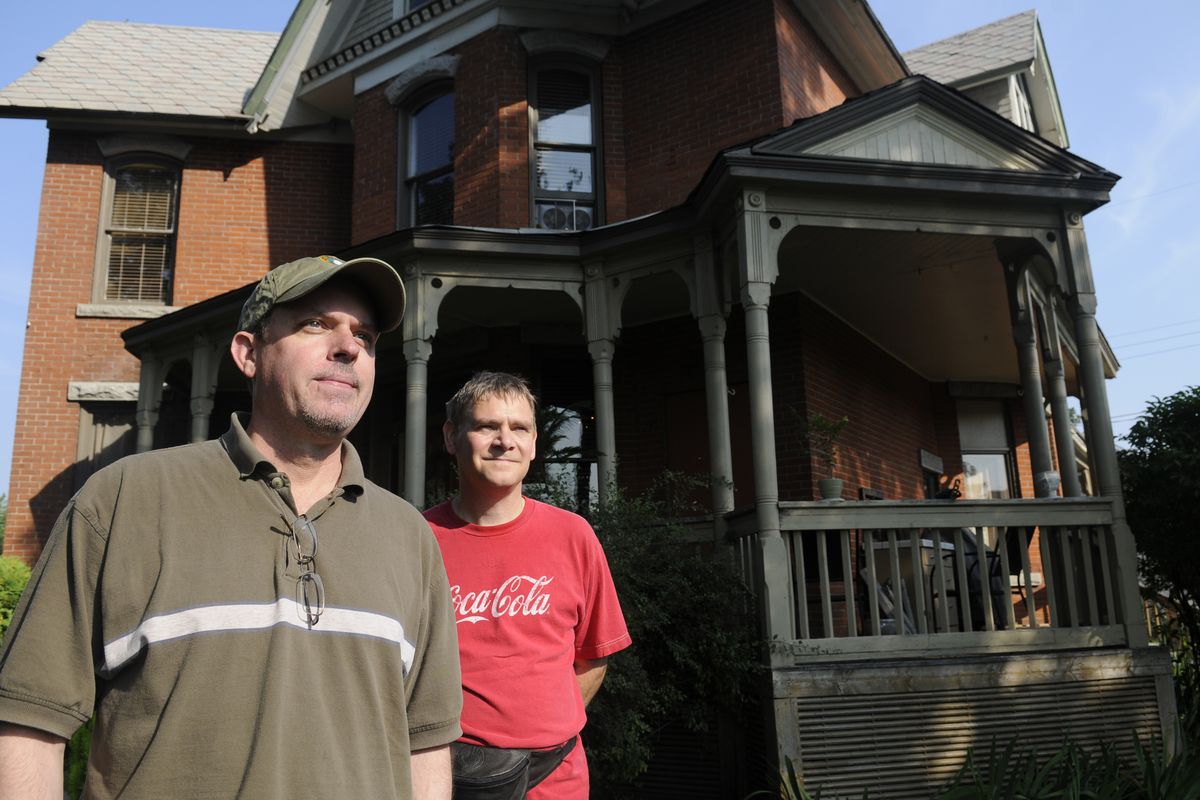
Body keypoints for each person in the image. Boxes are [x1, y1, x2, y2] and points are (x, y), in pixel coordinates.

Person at [0, 255, 462, 799]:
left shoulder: (408, 536)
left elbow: (425, 746)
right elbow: (30, 721)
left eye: (364, 335)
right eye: (315, 323)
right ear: (248, 353)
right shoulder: (124, 501)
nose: (349, 347)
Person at [424, 371, 631, 799]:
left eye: (519, 428)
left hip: (556, 777)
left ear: (534, 442)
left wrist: (546, 728)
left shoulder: (573, 536)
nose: (505, 440)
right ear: (451, 436)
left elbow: (594, 655)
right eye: (486, 426)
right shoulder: (417, 539)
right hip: (451, 778)